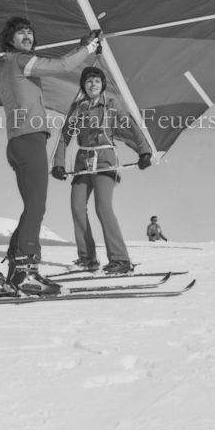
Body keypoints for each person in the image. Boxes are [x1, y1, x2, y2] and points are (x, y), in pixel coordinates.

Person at [0, 16, 100, 294]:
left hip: (16, 143)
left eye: (30, 32)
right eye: (20, 33)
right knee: (37, 207)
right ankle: (26, 270)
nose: (27, 36)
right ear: (10, 39)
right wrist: (88, 48)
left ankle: (16, 273)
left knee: (31, 207)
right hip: (30, 142)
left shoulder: (4, 67)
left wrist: (81, 46)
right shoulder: (20, 61)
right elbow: (61, 66)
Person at [52, 66, 152, 275]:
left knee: (102, 207)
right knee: (77, 207)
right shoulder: (78, 108)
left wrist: (144, 152)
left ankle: (120, 259)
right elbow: (64, 136)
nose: (93, 84)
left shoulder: (111, 105)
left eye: (97, 81)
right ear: (83, 85)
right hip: (83, 162)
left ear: (103, 85)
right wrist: (58, 164)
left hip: (105, 160)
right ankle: (88, 258)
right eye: (89, 81)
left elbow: (133, 127)